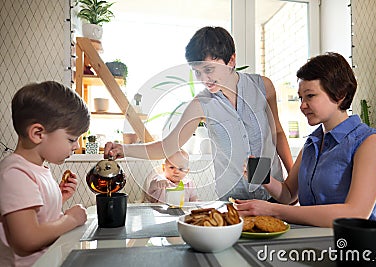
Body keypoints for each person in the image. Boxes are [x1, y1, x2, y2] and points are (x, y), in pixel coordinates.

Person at [105, 26, 293, 201]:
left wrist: (293, 181)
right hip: (234, 202)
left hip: (274, 195)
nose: (203, 79)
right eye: (197, 72)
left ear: (231, 60)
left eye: (208, 70)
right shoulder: (200, 104)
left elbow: (277, 132)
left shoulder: (263, 87)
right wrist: (124, 149)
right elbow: (167, 146)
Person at [235, 52, 376, 227]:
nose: (302, 105)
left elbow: (355, 214)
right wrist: (261, 175)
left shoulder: (370, 142)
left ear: (340, 94)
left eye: (310, 96)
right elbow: (288, 194)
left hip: (356, 249)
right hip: (314, 241)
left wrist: (272, 210)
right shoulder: (312, 143)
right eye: (301, 97)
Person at [0, 81, 90, 266]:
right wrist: (71, 219)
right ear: (38, 133)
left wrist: (58, 198)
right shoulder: (15, 173)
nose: (77, 146)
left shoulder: (37, 169)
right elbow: (28, 239)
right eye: (72, 139)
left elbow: (37, 217)